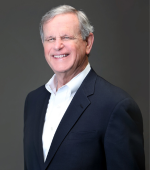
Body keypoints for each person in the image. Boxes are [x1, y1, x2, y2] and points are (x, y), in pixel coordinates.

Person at [24, 5, 145, 170]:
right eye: (50, 39)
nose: (57, 46)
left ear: (88, 42)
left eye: (66, 37)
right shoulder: (33, 100)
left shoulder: (116, 106)